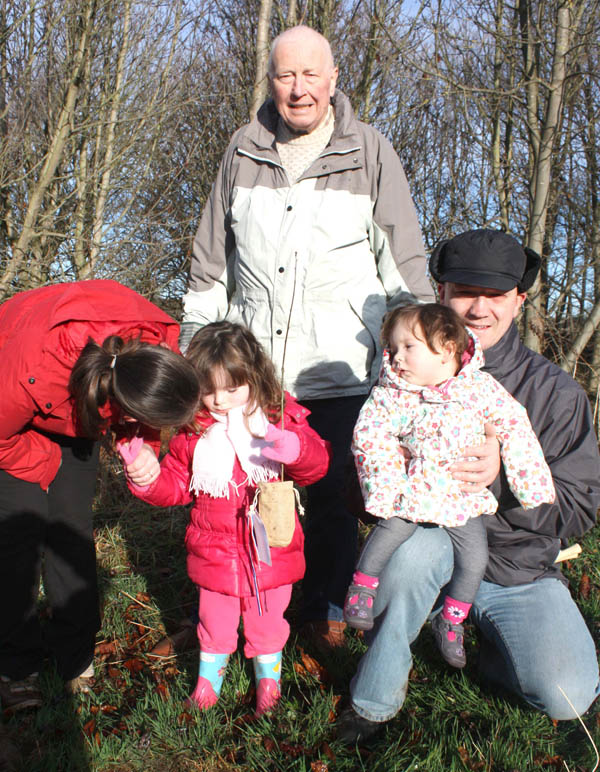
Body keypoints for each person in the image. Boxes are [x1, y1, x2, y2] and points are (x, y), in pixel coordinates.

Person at [179, 24, 434, 649]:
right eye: (285, 75)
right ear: (270, 81)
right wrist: (196, 357)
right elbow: (209, 265)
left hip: (341, 370)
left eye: (310, 75)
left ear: (333, 79)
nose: (298, 90)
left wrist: (426, 359)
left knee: (329, 499)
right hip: (251, 376)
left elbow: (404, 269)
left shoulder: (370, 152)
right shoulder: (242, 150)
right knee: (233, 496)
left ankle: (324, 613)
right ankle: (227, 612)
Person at [337, 228, 600, 742]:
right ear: (441, 294)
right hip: (431, 542)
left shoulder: (558, 393)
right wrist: (395, 470)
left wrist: (502, 480)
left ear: (519, 301)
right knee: (410, 558)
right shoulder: (401, 372)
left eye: (496, 294)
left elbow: (580, 507)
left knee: (566, 694)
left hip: (516, 566)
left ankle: (493, 652)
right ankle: (372, 703)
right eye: (464, 291)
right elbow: (358, 489)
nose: (479, 308)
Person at [0, 279, 200, 712]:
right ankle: (17, 667)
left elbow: (152, 408)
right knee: (21, 535)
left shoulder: (156, 356)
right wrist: (36, 462)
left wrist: (146, 447)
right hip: (12, 411)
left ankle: (75, 656)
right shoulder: (28, 364)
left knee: (70, 529)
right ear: (122, 406)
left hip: (83, 401)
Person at [120, 322, 330, 715]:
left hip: (271, 550)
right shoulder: (192, 433)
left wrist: (297, 449)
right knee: (213, 624)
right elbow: (175, 487)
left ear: (254, 377)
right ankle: (206, 686)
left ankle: (269, 685)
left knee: (267, 624)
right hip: (214, 550)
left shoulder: (278, 418)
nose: (218, 400)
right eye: (207, 389)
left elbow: (316, 466)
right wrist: (145, 477)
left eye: (231, 388)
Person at [343, 303, 555, 669]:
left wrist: (529, 483)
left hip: (462, 496)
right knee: (389, 530)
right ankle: (361, 588)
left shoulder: (479, 388)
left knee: (474, 558)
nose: (396, 358)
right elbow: (369, 436)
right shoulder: (392, 394)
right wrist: (387, 485)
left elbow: (514, 425)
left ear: (446, 350)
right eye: (393, 349)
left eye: (409, 347)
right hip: (415, 490)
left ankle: (452, 619)